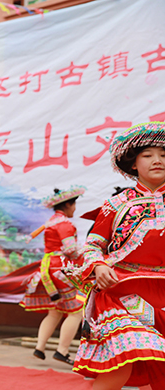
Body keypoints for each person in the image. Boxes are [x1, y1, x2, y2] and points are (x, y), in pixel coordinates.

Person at [70, 122, 165, 389]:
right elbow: (92, 245)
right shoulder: (116, 204)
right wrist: (99, 266)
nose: (157, 160)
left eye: (164, 155)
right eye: (148, 155)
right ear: (134, 163)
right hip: (122, 292)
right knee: (120, 364)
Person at [20, 185, 85, 366]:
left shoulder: (50, 223)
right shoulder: (65, 224)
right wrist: (88, 253)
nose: (74, 209)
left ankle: (40, 347)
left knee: (55, 311)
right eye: (74, 205)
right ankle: (62, 351)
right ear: (68, 205)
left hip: (47, 269)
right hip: (61, 269)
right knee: (76, 312)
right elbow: (71, 250)